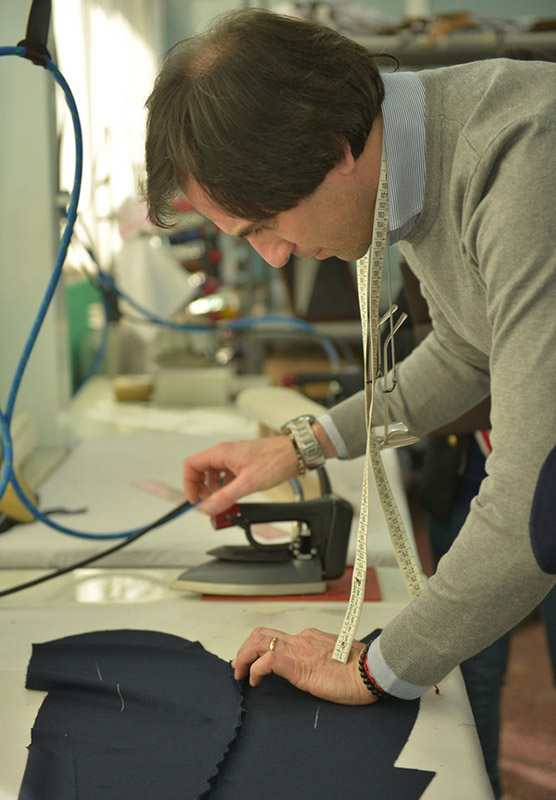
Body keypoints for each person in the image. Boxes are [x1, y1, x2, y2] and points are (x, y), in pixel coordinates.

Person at [144, 7, 556, 716]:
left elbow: (535, 499)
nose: (270, 254)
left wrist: (373, 667)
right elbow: (466, 349)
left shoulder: (518, 157)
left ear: (336, 150)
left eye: (266, 224)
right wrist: (303, 445)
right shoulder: (424, 159)